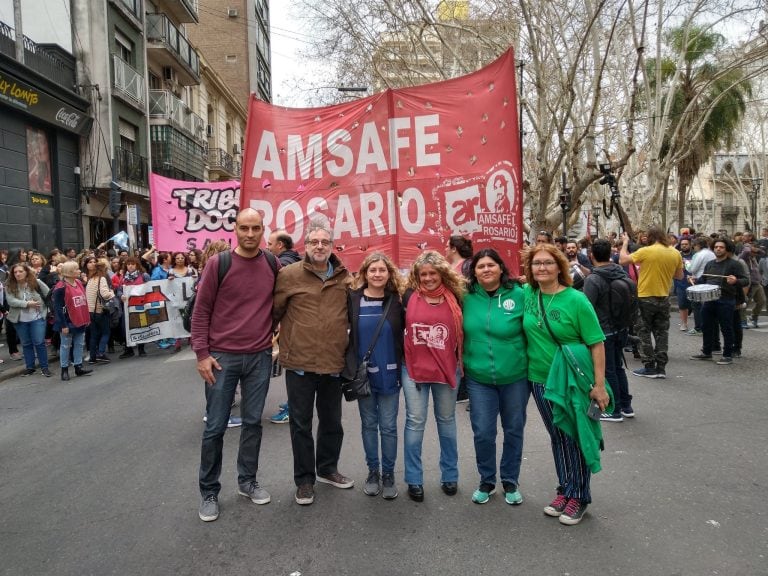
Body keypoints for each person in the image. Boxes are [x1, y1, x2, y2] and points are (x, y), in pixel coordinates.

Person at [191, 208, 279, 522]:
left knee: (253, 423)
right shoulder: (219, 263)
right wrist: (202, 354)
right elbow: (200, 312)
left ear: (263, 229)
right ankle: (209, 492)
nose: (251, 234)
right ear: (236, 229)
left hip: (258, 357)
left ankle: (247, 481)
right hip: (222, 358)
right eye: (245, 228)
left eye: (256, 228)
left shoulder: (272, 262)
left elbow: (278, 304)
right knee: (215, 427)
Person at [522, 243, 609, 525]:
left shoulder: (576, 300)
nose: (542, 268)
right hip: (540, 380)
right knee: (558, 436)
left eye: (548, 263)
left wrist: (599, 386)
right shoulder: (528, 294)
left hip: (572, 380)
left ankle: (580, 496)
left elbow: (597, 344)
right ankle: (565, 489)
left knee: (574, 435)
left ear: (560, 267)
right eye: (537, 264)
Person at [272, 220, 353, 506]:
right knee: (300, 424)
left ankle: (328, 469)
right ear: (305, 246)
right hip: (299, 364)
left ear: (332, 246)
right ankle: (304, 480)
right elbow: (274, 311)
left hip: (333, 363)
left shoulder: (345, 277)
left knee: (332, 422)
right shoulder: (289, 275)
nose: (320, 246)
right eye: (314, 242)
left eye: (325, 242)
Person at [462, 248, 529, 505]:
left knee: (513, 429)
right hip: (479, 378)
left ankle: (510, 480)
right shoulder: (465, 297)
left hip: (515, 377)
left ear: (501, 268)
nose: (486, 269)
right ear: (474, 272)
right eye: (481, 266)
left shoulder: (520, 295)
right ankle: (487, 480)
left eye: (491, 265)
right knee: (483, 432)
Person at [401, 251, 465, 502]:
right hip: (413, 369)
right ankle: (414, 479)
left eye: (432, 273)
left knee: (447, 422)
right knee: (415, 422)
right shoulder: (407, 296)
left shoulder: (457, 298)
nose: (427, 278)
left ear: (442, 273)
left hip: (448, 369)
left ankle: (450, 475)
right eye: (423, 274)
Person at [344, 252, 404, 500]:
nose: (377, 274)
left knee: (388, 427)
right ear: (365, 273)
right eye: (373, 270)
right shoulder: (352, 300)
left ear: (389, 274)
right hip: (364, 376)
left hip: (390, 374)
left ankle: (388, 473)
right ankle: (373, 472)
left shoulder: (397, 301)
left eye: (382, 270)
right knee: (369, 425)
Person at [619, 226, 683, 379]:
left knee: (643, 331)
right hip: (664, 297)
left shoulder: (646, 251)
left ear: (650, 237)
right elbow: (679, 275)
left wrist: (625, 243)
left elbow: (622, 260)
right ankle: (661, 367)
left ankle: (649, 366)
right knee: (662, 332)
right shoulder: (675, 253)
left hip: (645, 296)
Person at [584, 239, 634, 422]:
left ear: (591, 256)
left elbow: (586, 307)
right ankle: (626, 406)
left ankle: (614, 409)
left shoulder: (594, 279)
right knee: (618, 368)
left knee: (608, 371)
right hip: (621, 327)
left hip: (603, 331)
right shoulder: (619, 273)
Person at [691, 238, 749, 365]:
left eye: (721, 247)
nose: (718, 249)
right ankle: (707, 352)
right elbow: (703, 280)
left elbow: (745, 280)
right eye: (716, 247)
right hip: (709, 300)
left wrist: (735, 281)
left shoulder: (734, 264)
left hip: (726, 300)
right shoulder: (710, 264)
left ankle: (727, 355)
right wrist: (695, 280)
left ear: (726, 249)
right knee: (706, 326)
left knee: (726, 328)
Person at [266, 228, 303, 425]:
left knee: (296, 368)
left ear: (280, 245)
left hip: (292, 325)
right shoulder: (292, 260)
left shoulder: (284, 265)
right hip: (292, 324)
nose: (267, 247)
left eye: (270, 244)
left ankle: (293, 408)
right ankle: (293, 404)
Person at [5, 263, 52, 377]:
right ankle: (30, 367)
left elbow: (49, 294)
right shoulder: (10, 285)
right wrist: (27, 304)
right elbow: (11, 301)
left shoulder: (36, 282)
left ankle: (44, 367)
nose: (18, 274)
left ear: (26, 272)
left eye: (20, 271)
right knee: (26, 344)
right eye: (15, 272)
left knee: (39, 342)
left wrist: (45, 308)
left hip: (38, 318)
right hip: (20, 320)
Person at [51, 261, 93, 380]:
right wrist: (63, 325)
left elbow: (83, 302)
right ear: (69, 272)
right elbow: (58, 308)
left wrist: (86, 318)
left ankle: (78, 367)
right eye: (77, 269)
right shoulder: (60, 287)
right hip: (67, 321)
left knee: (79, 344)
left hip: (80, 319)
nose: (79, 271)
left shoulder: (78, 283)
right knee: (65, 346)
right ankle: (64, 370)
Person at [85, 257, 116, 364]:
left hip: (90, 311)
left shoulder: (90, 280)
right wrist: (112, 292)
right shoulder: (101, 279)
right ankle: (101, 353)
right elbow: (105, 294)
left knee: (94, 335)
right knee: (106, 332)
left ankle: (92, 357)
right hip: (100, 310)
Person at [117, 257, 149, 359]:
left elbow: (150, 287)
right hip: (128, 308)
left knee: (141, 326)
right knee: (125, 328)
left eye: (133, 264)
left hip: (141, 306)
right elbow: (119, 290)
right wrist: (120, 295)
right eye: (128, 264)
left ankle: (141, 348)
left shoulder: (144, 276)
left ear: (137, 265)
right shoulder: (123, 278)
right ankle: (129, 349)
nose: (130, 266)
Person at [687, 237, 716, 335]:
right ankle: (709, 326)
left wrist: (686, 263)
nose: (693, 248)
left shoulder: (699, 255)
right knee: (708, 305)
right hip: (711, 281)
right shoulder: (712, 253)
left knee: (697, 305)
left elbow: (692, 269)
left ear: (698, 245)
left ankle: (698, 327)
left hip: (699, 281)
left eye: (694, 246)